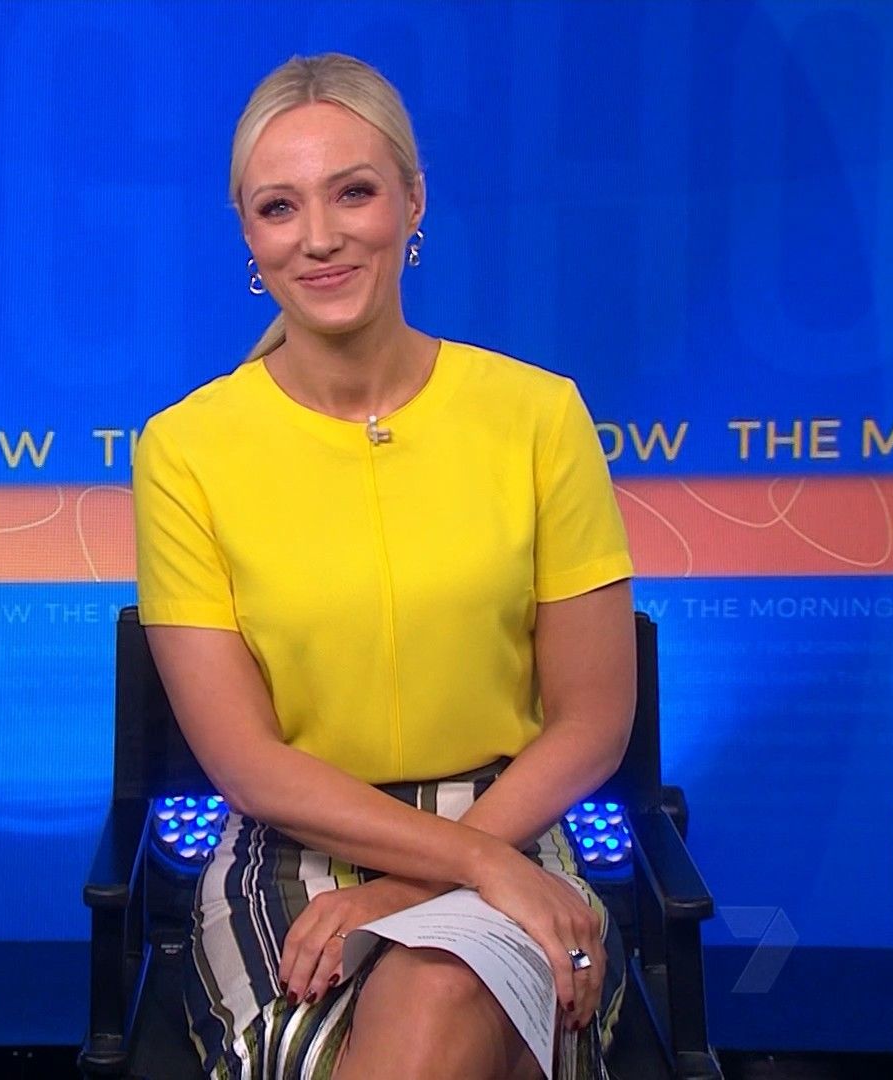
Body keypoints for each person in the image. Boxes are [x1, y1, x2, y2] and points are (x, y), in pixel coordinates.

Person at [133, 53, 635, 1079]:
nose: (318, 237)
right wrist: (470, 871)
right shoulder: (185, 450)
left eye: (354, 192)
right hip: (293, 848)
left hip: (514, 821)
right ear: (248, 236)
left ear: (414, 202)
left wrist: (432, 883)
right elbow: (247, 763)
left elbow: (593, 719)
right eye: (279, 207)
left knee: (443, 985)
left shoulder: (539, 416)